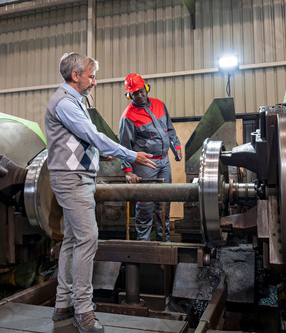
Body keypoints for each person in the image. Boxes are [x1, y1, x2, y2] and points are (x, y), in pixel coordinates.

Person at [45, 53, 156, 333]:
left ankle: (63, 305)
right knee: (88, 238)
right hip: (72, 180)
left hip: (76, 177)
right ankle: (83, 311)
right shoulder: (66, 103)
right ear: (76, 76)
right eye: (91, 76)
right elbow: (92, 135)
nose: (94, 82)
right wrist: (129, 154)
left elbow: (80, 140)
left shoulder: (74, 101)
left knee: (72, 241)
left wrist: (99, 156)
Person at [119, 73, 182, 242]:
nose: (139, 96)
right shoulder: (128, 117)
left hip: (164, 161)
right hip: (145, 164)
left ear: (146, 88)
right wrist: (128, 171)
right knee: (145, 205)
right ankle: (143, 244)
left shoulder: (160, 105)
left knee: (164, 203)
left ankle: (164, 241)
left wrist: (176, 147)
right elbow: (124, 147)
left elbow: (169, 129)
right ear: (129, 95)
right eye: (134, 94)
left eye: (141, 91)